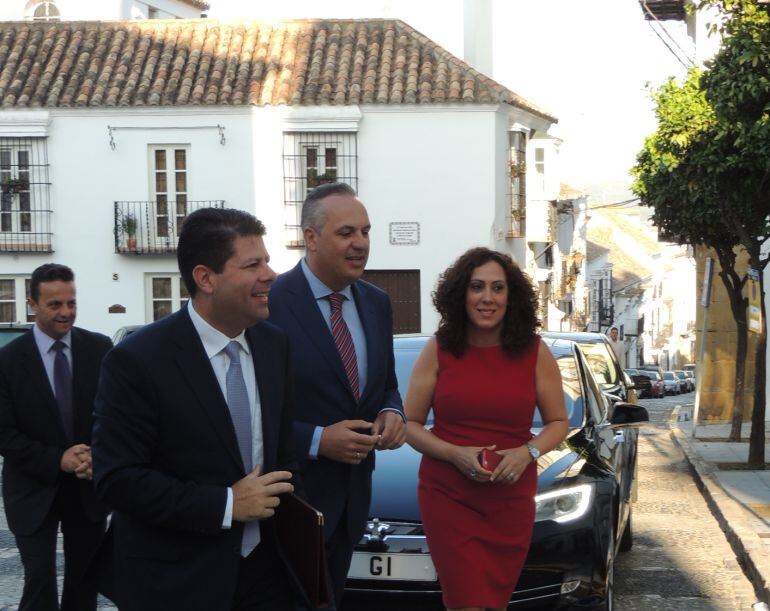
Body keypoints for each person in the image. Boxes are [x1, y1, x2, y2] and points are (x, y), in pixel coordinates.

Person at [92, 208, 299, 611]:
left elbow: (282, 454)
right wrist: (225, 504)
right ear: (206, 278)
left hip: (268, 576)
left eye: (268, 261)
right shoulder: (137, 359)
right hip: (176, 581)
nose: (270, 274)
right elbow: (117, 478)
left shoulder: (276, 347)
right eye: (253, 264)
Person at [405, 247, 569, 611]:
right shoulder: (439, 349)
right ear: (461, 294)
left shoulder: (535, 352)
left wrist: (528, 453)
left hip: (510, 498)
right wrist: (453, 453)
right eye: (477, 287)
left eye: (498, 288)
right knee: (466, 601)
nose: (487, 298)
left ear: (511, 297)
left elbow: (559, 422)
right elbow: (410, 424)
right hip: (448, 495)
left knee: (493, 603)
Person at [268, 182, 406, 608]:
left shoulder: (376, 302)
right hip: (290, 504)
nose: (360, 244)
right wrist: (316, 440)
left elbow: (385, 384)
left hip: (354, 501)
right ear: (311, 237)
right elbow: (248, 410)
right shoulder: (269, 303)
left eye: (365, 232)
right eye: (347, 233)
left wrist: (391, 410)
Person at [0, 263, 111, 611]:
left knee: (84, 582)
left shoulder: (100, 348)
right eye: (55, 305)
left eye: (71, 303)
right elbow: (4, 433)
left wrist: (98, 455)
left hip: (87, 489)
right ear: (32, 302)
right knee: (38, 581)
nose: (66, 313)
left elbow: (114, 414)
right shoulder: (8, 361)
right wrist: (57, 459)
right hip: (32, 490)